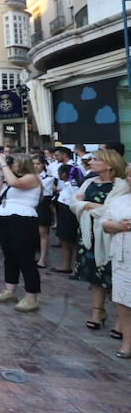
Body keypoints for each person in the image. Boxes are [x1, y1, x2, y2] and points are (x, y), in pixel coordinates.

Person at [70, 148, 128, 332]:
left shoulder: (121, 186)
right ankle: (97, 310)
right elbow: (74, 204)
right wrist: (91, 205)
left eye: (96, 159)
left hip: (111, 235)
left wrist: (86, 205)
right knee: (94, 274)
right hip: (89, 234)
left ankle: (122, 319)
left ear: (109, 164)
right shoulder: (89, 183)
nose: (91, 162)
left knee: (113, 275)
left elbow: (114, 210)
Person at [0, 153, 42, 313]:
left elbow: (15, 182)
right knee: (10, 256)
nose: (11, 165)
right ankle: (10, 289)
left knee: (25, 259)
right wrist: (0, 175)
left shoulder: (32, 177)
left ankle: (31, 297)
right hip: (6, 218)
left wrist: (4, 164)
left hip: (23, 221)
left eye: (14, 163)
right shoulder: (9, 178)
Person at [103, 189, 131, 358]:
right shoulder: (121, 199)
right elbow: (105, 221)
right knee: (123, 299)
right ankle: (127, 342)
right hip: (122, 257)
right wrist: (116, 226)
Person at [32, 155, 55, 269]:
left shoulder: (48, 178)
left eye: (38, 163)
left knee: (43, 232)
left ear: (43, 165)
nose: (35, 166)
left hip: (43, 205)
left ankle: (42, 259)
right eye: (33, 164)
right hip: (31, 204)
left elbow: (39, 188)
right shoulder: (29, 176)